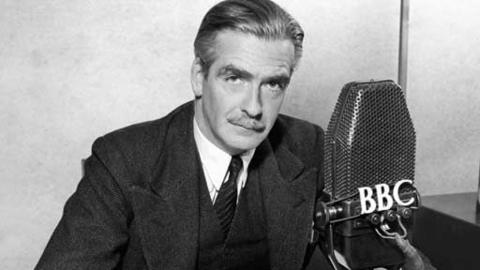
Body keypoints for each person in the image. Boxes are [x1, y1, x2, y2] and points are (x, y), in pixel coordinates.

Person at [35, 0, 433, 269]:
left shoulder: (312, 147)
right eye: (235, 77)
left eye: (273, 84)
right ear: (198, 76)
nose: (255, 107)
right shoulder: (123, 159)